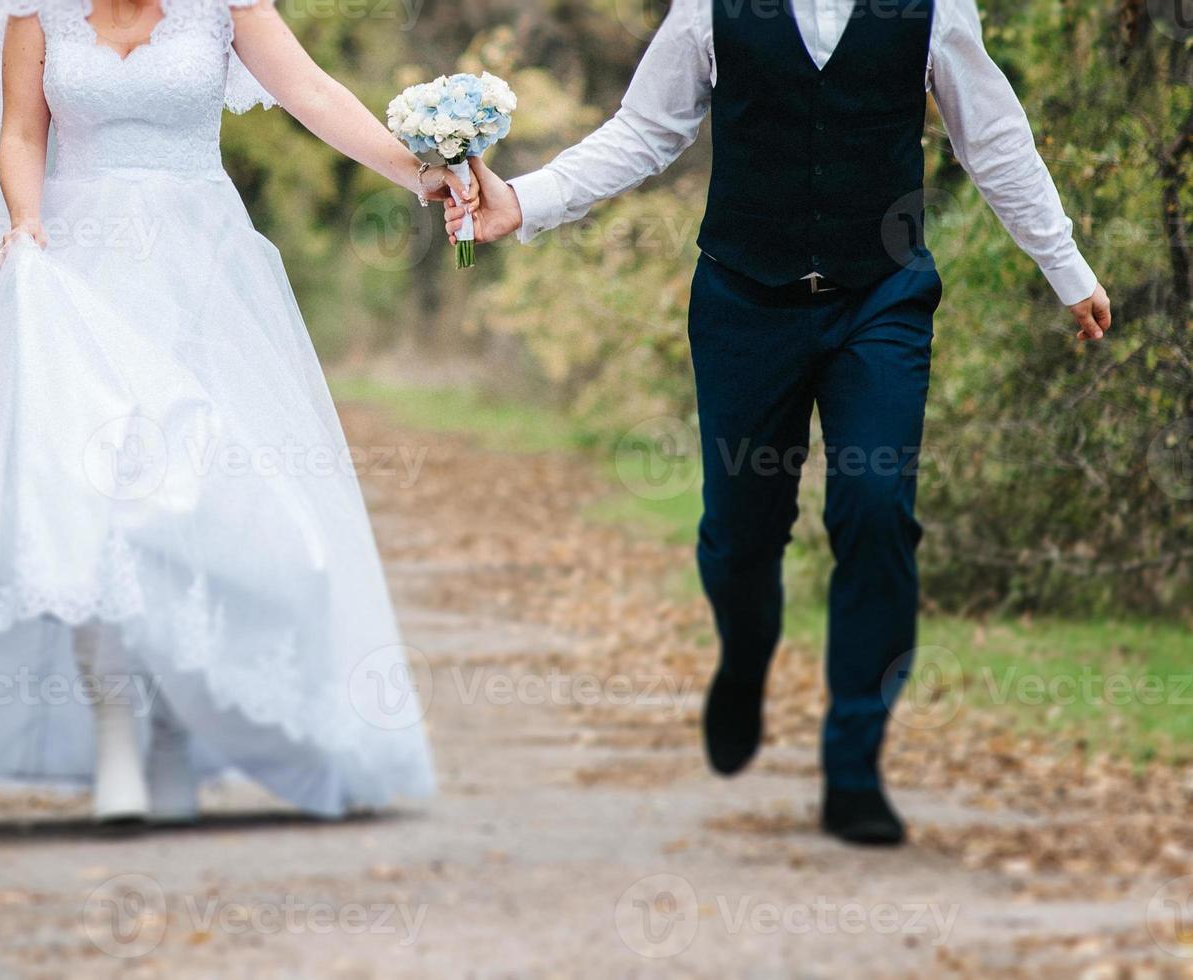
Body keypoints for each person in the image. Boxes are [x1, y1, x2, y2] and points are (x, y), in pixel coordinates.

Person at [0, 0, 472, 823]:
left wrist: (417, 168)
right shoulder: (34, 12)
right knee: (92, 506)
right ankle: (120, 739)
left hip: (201, 270)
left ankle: (179, 732)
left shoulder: (226, 7)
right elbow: (21, 134)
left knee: (205, 497)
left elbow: (312, 94)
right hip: (76, 269)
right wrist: (28, 223)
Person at [447, 0, 1112, 845]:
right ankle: (748, 646)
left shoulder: (936, 7)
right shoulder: (711, 10)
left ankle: (854, 767)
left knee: (875, 510)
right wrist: (527, 201)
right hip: (742, 304)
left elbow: (995, 141)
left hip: (881, 298)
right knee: (739, 533)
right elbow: (644, 132)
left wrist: (1066, 267)